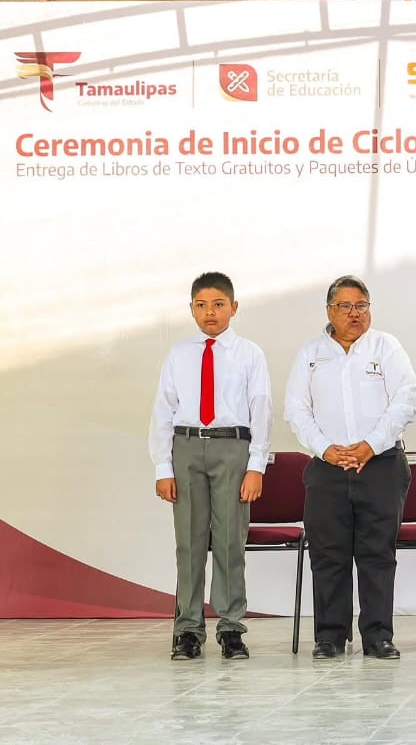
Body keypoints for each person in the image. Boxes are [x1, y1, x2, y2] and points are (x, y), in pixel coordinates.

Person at [284, 275, 416, 660]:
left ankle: (378, 636)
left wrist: (370, 446)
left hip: (380, 465)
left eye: (361, 306)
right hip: (327, 468)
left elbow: (407, 399)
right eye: (345, 306)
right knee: (329, 554)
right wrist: (325, 449)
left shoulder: (386, 347)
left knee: (377, 553)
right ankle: (330, 636)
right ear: (329, 311)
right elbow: (296, 408)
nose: (354, 313)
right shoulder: (311, 353)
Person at [148, 271, 271, 661]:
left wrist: (256, 466)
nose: (210, 313)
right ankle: (187, 630)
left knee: (231, 541)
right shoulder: (179, 354)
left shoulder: (249, 354)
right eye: (201, 305)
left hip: (232, 447)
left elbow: (261, 410)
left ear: (234, 307)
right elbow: (163, 411)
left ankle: (231, 628)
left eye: (218, 304)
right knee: (189, 543)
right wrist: (163, 467)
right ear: (191, 310)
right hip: (186, 447)